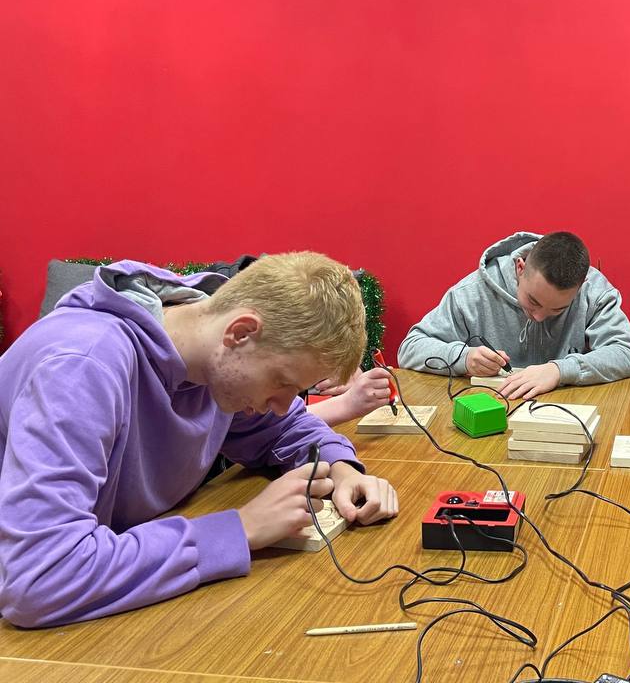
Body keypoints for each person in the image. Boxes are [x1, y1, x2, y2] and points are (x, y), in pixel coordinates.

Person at [0, 253, 400, 628]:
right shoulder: (81, 368)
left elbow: (285, 428)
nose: (282, 405)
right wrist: (241, 528)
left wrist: (341, 469)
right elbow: (40, 577)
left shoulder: (211, 355)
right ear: (240, 332)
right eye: (282, 382)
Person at [399, 231, 630, 400]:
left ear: (580, 287)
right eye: (533, 301)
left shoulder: (593, 291)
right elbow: (410, 348)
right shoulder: (471, 293)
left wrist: (559, 370)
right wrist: (464, 358)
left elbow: (625, 352)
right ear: (520, 267)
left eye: (557, 310)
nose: (539, 317)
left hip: (566, 414)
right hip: (492, 411)